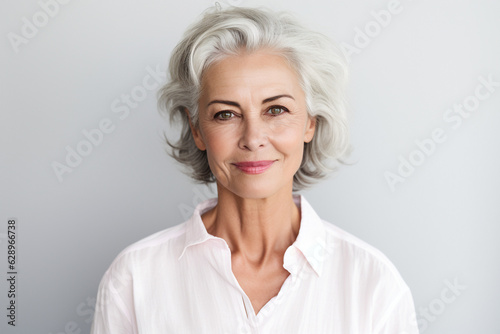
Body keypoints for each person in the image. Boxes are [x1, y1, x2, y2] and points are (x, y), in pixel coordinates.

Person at [91, 6, 419, 334]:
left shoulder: (373, 284)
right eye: (226, 114)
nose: (253, 138)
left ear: (310, 124)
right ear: (196, 130)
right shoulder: (134, 278)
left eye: (276, 109)